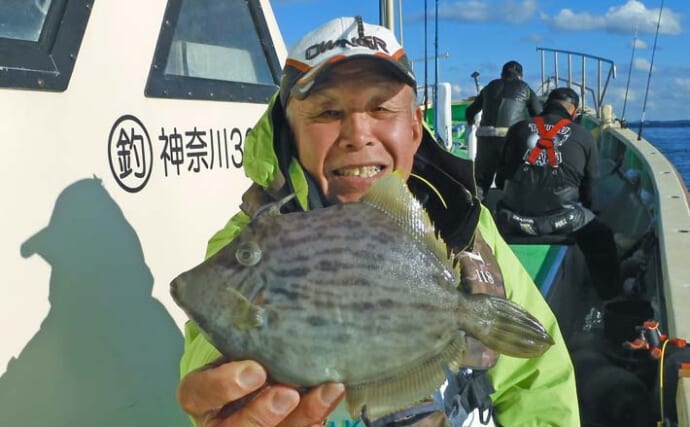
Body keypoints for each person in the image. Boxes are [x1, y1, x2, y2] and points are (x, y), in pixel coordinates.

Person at [176, 16, 579, 427]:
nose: (358, 134)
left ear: (414, 130)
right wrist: (230, 399)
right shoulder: (252, 236)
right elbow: (212, 350)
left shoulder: (466, 225)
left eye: (381, 108)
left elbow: (538, 386)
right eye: (328, 110)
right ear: (289, 133)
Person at [496, 87, 622, 300]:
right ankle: (608, 296)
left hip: (513, 220)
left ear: (546, 105)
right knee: (601, 235)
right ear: (574, 112)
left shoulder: (518, 129)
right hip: (562, 220)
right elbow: (589, 188)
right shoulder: (583, 135)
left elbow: (500, 180)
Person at [464, 61, 541, 200]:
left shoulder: (489, 87)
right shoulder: (526, 89)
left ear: (502, 74)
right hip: (512, 139)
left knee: (480, 182)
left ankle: (474, 213)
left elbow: (470, 111)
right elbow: (540, 115)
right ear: (521, 76)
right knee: (511, 180)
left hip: (486, 138)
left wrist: (471, 122)